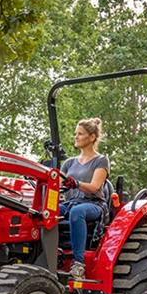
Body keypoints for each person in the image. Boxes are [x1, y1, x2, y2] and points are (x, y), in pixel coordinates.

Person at [60, 117, 110, 279]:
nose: (76, 137)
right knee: (44, 211)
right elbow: (59, 186)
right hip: (69, 202)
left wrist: (76, 183)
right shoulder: (68, 163)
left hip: (92, 204)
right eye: (76, 134)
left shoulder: (101, 161)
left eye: (80, 134)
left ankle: (78, 264)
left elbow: (95, 187)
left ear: (92, 137)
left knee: (77, 212)